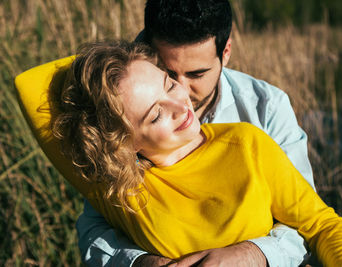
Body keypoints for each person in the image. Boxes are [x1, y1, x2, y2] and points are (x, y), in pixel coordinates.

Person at [50, 40, 342, 267]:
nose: (182, 104)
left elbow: (323, 226)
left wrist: (254, 254)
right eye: (155, 115)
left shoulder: (246, 144)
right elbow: (29, 87)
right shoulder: (121, 184)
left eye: (168, 84)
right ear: (124, 143)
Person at [77, 0, 315, 266]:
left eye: (196, 74)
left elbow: (307, 224)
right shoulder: (120, 112)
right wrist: (144, 263)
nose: (182, 93)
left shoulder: (267, 108)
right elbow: (92, 231)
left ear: (225, 52)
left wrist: (252, 254)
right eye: (168, 74)